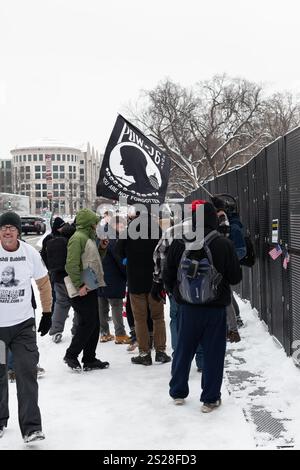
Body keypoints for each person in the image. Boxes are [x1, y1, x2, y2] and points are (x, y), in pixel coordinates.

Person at [163, 201, 242, 412]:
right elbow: (235, 277)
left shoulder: (180, 242)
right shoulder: (223, 244)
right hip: (215, 309)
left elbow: (167, 274)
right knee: (213, 353)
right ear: (214, 219)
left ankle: (178, 392)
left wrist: (179, 294)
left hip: (187, 308)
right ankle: (210, 398)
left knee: (183, 350)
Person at [0, 211, 52, 442]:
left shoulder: (29, 253)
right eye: (3, 228)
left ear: (18, 231)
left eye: (11, 227)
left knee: (26, 374)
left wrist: (48, 313)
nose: (7, 231)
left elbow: (43, 284)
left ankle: (31, 427)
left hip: (22, 326)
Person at [116, 209, 171, 366]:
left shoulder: (128, 230)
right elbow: (164, 251)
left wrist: (128, 259)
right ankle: (160, 352)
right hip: (155, 281)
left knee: (140, 319)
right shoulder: (156, 229)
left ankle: (144, 353)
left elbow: (118, 251)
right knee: (158, 317)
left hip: (135, 281)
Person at [63, 209, 109, 371]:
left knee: (93, 323)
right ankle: (71, 355)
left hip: (90, 285)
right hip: (83, 288)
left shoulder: (88, 238)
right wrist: (79, 285)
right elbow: (71, 264)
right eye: (95, 222)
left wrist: (102, 248)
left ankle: (89, 358)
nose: (97, 225)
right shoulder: (78, 238)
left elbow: (92, 261)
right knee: (88, 323)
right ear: (89, 224)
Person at [97, 216, 131, 344]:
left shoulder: (102, 236)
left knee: (102, 306)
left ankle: (104, 333)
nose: (123, 228)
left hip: (101, 276)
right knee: (116, 305)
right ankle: (120, 334)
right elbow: (119, 260)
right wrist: (127, 273)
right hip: (113, 277)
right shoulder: (113, 240)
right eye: (121, 226)